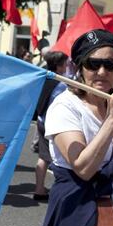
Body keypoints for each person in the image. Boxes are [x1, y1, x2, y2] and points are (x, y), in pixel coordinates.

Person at [35, 29, 113, 226]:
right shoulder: (65, 106)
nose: (102, 71)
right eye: (93, 64)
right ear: (80, 68)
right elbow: (84, 167)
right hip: (74, 210)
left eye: (110, 64)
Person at [33, 51, 68, 200]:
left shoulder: (43, 78)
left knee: (43, 157)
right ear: (59, 66)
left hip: (41, 120)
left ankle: (39, 188)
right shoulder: (61, 85)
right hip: (53, 124)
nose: (67, 66)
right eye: (65, 63)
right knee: (59, 159)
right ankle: (57, 192)